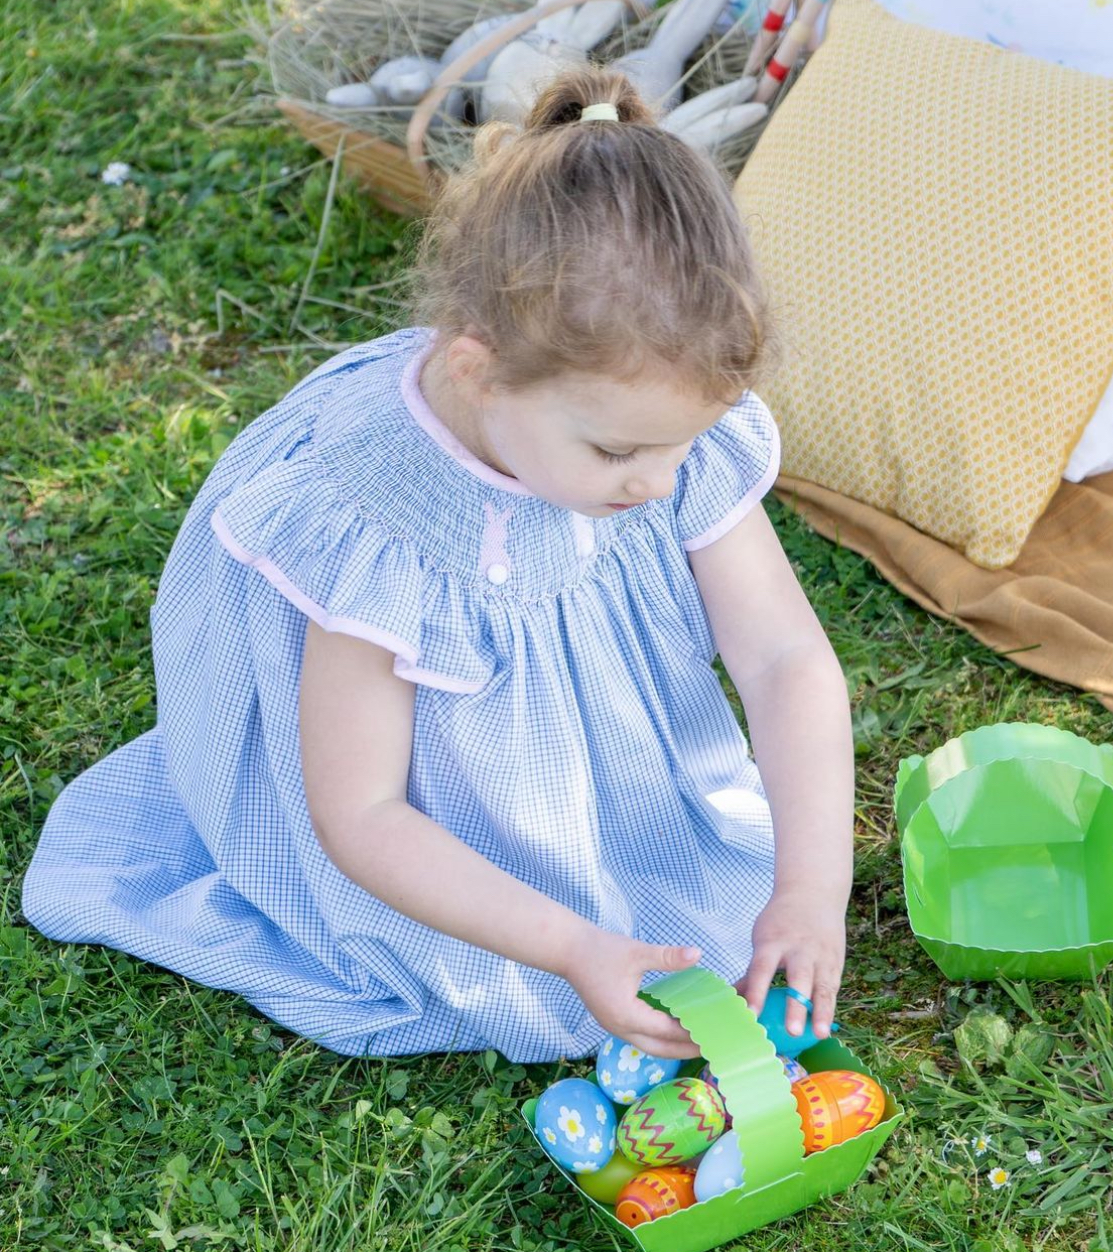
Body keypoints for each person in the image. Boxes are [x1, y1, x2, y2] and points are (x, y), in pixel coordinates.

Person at [22, 66, 854, 1064]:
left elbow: (781, 662)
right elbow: (363, 813)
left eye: (688, 444)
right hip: (407, 799)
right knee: (517, 965)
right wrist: (571, 946)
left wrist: (808, 892)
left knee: (708, 888)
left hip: (572, 733)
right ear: (478, 373)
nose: (663, 487)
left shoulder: (641, 428)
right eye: (623, 454)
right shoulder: (386, 525)